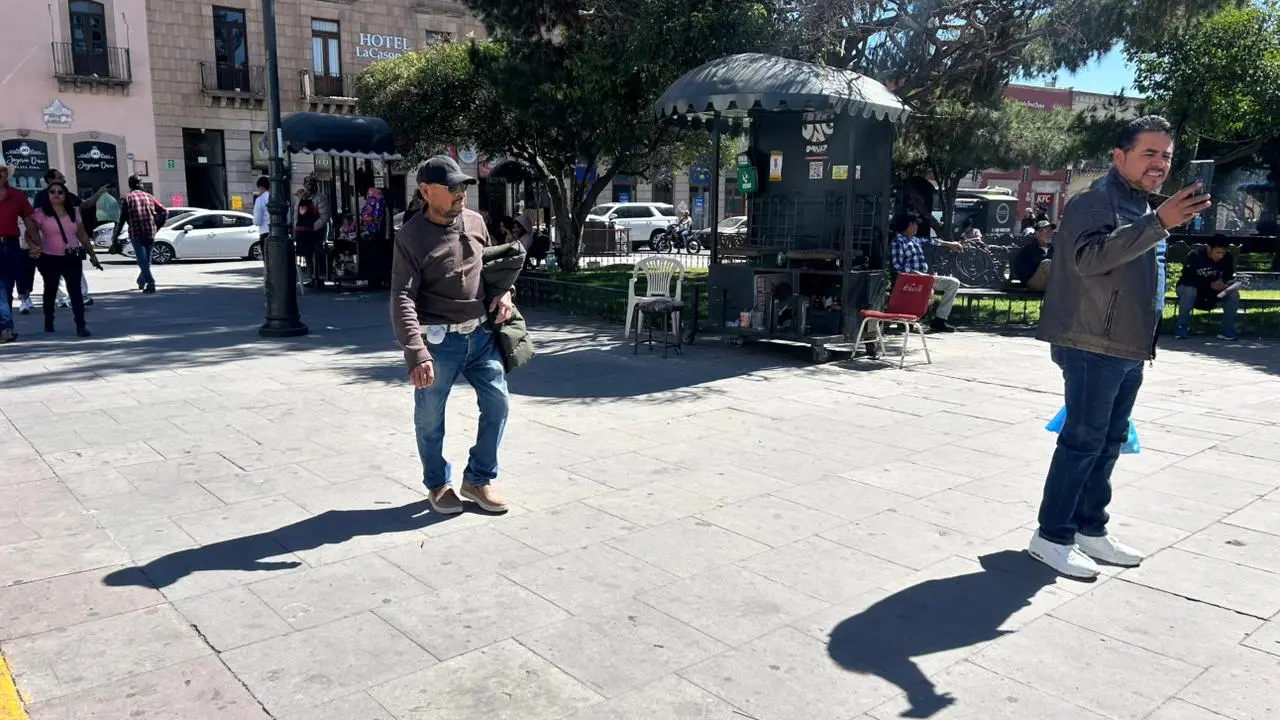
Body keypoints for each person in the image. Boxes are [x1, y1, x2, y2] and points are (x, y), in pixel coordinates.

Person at [1031, 115, 1212, 579]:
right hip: (1091, 343)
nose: (1159, 163)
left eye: (1165, 155)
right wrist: (1159, 223)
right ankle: (1051, 536)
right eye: (1148, 153)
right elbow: (1087, 258)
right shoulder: (1094, 201)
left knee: (1110, 441)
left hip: (1129, 346)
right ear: (1119, 156)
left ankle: (1090, 528)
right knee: (1083, 441)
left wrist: (1157, 221)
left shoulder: (1143, 206)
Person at [391, 155, 515, 516]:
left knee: (498, 402)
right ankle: (438, 483)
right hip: (438, 343)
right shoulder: (410, 236)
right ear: (426, 191)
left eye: (464, 185)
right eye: (452, 186)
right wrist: (416, 352)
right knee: (430, 417)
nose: (461, 192)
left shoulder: (476, 221)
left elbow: (492, 268)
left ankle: (478, 479)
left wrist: (505, 293)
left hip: (481, 337)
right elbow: (402, 296)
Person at [29, 179, 102, 336]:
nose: (56, 194)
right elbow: (30, 233)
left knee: (75, 291)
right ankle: (49, 320)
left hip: (72, 256)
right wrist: (34, 246)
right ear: (47, 195)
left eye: (60, 192)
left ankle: (81, 325)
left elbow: (82, 235)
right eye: (52, 192)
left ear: (65, 195)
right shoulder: (40, 213)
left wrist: (93, 255)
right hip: (50, 257)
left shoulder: (73, 212)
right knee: (50, 290)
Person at [889, 213, 963, 332]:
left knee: (953, 283)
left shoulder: (915, 240)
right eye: (915, 224)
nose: (917, 226)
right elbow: (898, 266)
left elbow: (932, 241)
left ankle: (939, 320)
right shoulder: (898, 242)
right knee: (929, 292)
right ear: (908, 225)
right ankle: (907, 318)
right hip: (911, 279)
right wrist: (915, 274)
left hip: (926, 278)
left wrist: (951, 244)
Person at [0, 158, 37, 343]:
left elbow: (29, 220)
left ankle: (5, 328)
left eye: (2, 171)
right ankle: (5, 327)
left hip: (9, 245)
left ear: (6, 174)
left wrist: (37, 243)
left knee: (5, 287)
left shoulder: (17, 195)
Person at [1175, 235, 1239, 340]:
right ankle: (1181, 327)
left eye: (1223, 253)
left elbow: (1229, 276)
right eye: (1218, 252)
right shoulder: (1195, 255)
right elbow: (1187, 279)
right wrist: (1209, 284)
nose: (1221, 256)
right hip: (1193, 290)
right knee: (1189, 290)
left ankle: (1228, 330)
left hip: (1214, 293)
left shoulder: (1227, 257)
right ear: (1209, 248)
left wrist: (1226, 285)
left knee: (1232, 293)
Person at [112, 175, 166, 293]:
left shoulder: (126, 198)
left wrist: (115, 237)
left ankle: (150, 283)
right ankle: (141, 280)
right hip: (150, 232)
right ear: (139, 184)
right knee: (147, 260)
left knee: (142, 260)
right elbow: (164, 211)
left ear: (130, 185)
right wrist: (158, 226)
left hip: (136, 233)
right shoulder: (149, 197)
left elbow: (121, 220)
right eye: (141, 183)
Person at [1012, 219, 1055, 291]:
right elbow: (1022, 272)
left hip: (1050, 283)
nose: (1049, 234)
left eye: (1051, 231)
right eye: (1046, 231)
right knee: (1046, 263)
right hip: (1033, 282)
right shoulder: (1028, 250)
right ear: (1037, 234)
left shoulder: (1054, 249)